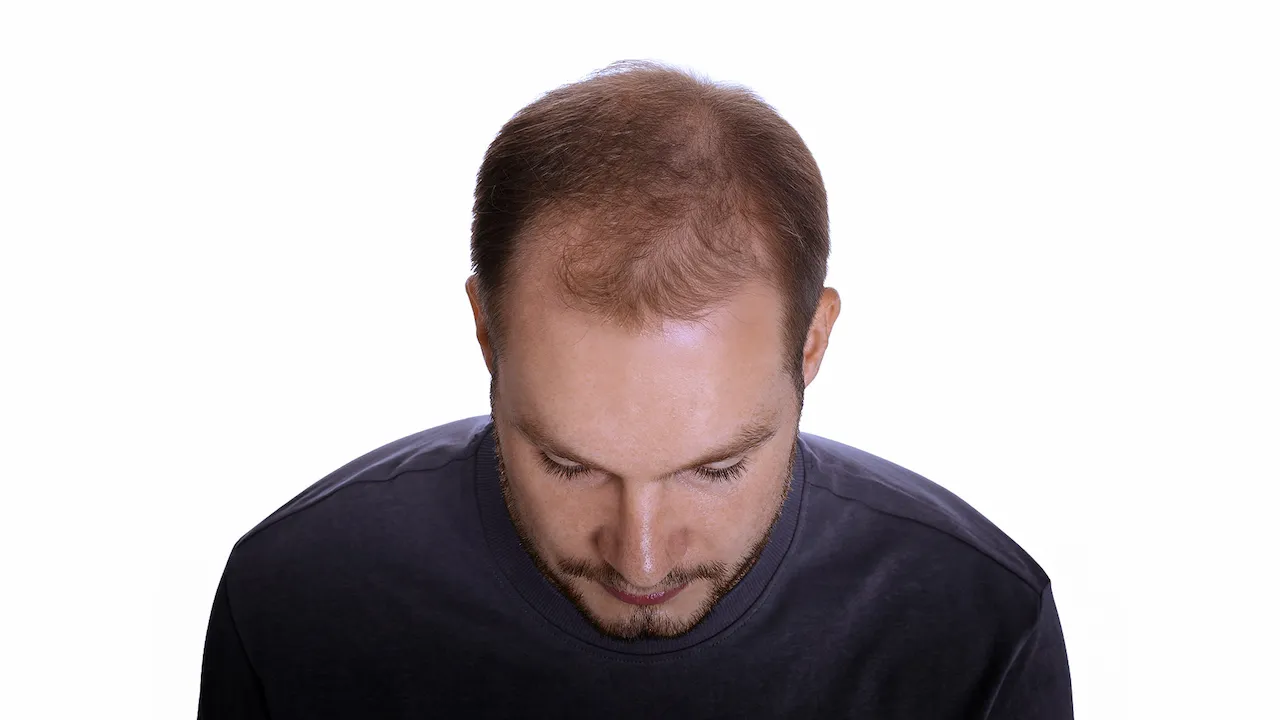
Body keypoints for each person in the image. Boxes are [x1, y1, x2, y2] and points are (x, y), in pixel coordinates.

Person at [197, 60, 1072, 719]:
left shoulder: (977, 625)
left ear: (811, 344)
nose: (640, 559)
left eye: (716, 469)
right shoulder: (299, 602)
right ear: (486, 333)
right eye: (568, 465)